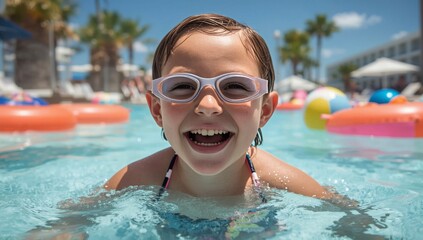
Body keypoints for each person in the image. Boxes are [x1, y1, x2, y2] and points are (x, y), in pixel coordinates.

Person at [104, 13, 333, 201]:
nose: (207, 106)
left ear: (264, 110)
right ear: (157, 110)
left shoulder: (288, 185)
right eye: (183, 85)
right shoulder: (134, 180)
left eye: (234, 85)